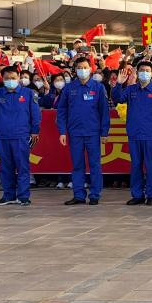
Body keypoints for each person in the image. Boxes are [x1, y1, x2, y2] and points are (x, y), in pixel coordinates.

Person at [0, 66, 41, 206]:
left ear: (19, 77)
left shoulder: (28, 93)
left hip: (21, 136)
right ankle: (9, 196)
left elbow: (35, 114)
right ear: (3, 79)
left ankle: (23, 196)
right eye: (7, 78)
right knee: (5, 167)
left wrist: (35, 131)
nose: (10, 81)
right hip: (2, 136)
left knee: (22, 167)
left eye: (13, 78)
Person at [113, 62, 152, 206]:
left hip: (151, 135)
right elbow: (118, 99)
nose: (144, 72)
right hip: (134, 134)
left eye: (147, 70)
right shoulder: (131, 89)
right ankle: (137, 195)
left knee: (151, 166)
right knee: (136, 165)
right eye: (142, 70)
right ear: (137, 73)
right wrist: (119, 84)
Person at [57, 58, 110, 206]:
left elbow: (104, 112)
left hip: (93, 132)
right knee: (77, 165)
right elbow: (61, 111)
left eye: (85, 67)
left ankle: (95, 195)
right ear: (75, 70)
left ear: (90, 69)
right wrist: (62, 131)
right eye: (79, 67)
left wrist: (104, 132)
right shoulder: (69, 88)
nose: (82, 70)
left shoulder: (98, 88)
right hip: (75, 133)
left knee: (95, 164)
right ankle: (79, 195)